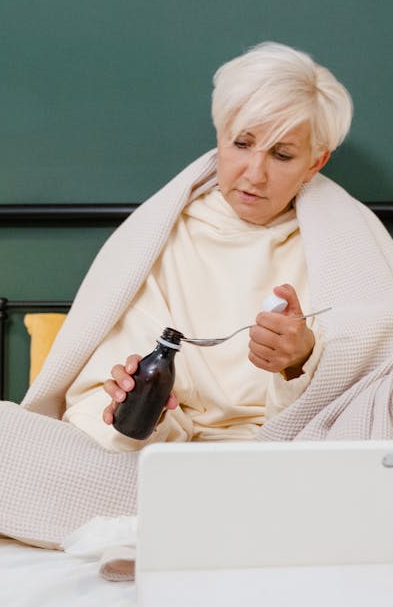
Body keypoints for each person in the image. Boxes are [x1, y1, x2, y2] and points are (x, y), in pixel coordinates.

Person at [61, 41, 353, 450]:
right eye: (241, 144)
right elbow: (95, 403)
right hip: (166, 457)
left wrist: (301, 363)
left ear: (315, 163)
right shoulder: (160, 241)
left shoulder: (345, 250)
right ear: (219, 136)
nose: (255, 174)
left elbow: (378, 386)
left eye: (282, 155)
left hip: (290, 454)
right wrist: (146, 410)